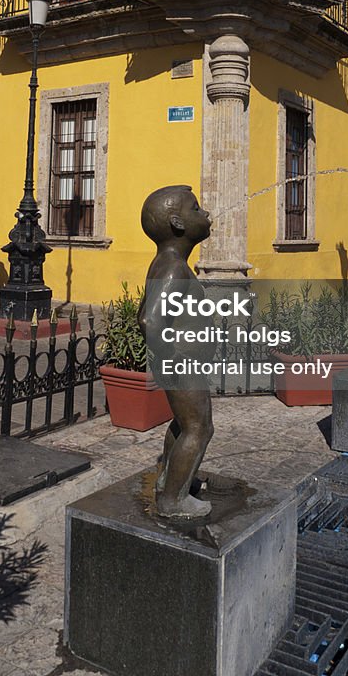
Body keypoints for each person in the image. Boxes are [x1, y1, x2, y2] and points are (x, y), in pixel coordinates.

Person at [138, 185, 213, 520]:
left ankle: (170, 480)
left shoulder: (167, 263)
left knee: (183, 424)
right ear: (178, 224)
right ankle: (173, 500)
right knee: (199, 427)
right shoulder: (174, 269)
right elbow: (150, 319)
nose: (206, 214)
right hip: (183, 364)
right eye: (196, 209)